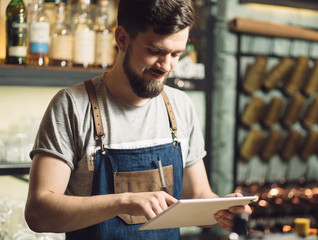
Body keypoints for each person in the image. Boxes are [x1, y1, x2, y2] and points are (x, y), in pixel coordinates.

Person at [24, 0, 252, 239]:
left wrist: (222, 210)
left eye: (176, 54)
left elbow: (199, 193)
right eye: (155, 51)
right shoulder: (72, 105)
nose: (166, 66)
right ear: (122, 38)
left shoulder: (180, 106)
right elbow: (39, 214)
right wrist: (122, 202)